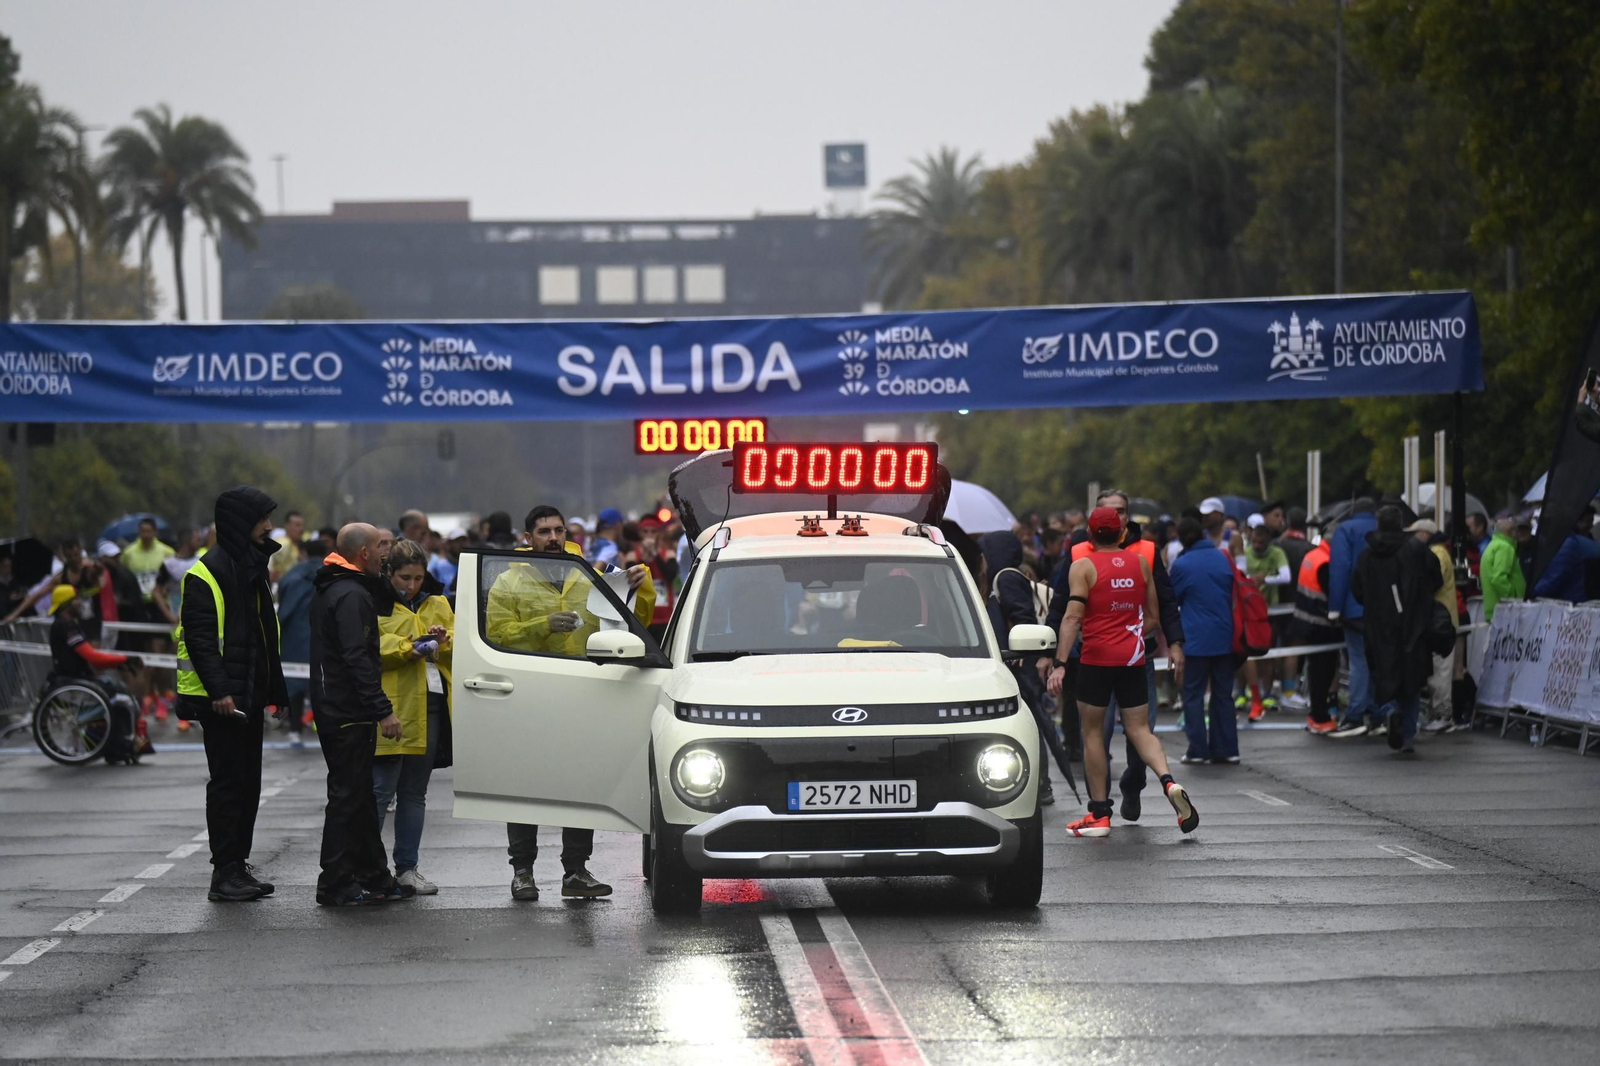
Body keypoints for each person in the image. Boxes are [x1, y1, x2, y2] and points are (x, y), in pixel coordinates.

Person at [486, 505, 655, 900]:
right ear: (527, 538)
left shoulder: (587, 575)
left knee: (582, 785)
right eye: (543, 531)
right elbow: (499, 636)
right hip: (530, 694)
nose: (553, 537)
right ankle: (523, 871)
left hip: (583, 694)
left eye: (559, 530)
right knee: (525, 786)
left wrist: (638, 586)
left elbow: (631, 622)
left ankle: (575, 871)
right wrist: (542, 626)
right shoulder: (507, 583)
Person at [1048, 505, 1198, 837]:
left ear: (1089, 534)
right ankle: (1169, 781)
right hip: (1133, 658)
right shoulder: (1140, 563)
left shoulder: (1082, 566)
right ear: (1122, 532)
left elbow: (1072, 618)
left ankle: (1100, 816)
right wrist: (1129, 634)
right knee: (1140, 730)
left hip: (1097, 659)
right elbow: (1154, 619)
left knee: (1092, 734)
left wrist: (1059, 663)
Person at [174, 487, 288, 903]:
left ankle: (238, 864)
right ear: (242, 522)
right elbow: (203, 641)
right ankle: (224, 872)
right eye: (263, 520)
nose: (270, 527)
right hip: (222, 700)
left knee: (249, 784)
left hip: (249, 695)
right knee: (228, 783)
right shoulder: (206, 573)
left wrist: (276, 690)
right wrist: (220, 691)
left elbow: (261, 636)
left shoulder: (252, 567)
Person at [310, 523, 408, 907]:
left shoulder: (336, 587)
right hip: (347, 711)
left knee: (361, 797)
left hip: (338, 707)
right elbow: (356, 657)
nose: (386, 554)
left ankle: (374, 876)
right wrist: (382, 710)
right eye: (379, 547)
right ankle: (333, 881)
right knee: (348, 798)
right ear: (363, 553)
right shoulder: (350, 595)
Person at [373, 539, 453, 896]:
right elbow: (371, 646)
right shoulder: (374, 601)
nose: (412, 585)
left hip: (430, 704)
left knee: (414, 793)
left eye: (419, 578)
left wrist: (443, 641)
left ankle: (407, 868)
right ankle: (368, 868)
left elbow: (457, 647)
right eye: (405, 577)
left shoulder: (436, 602)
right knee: (379, 791)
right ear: (388, 571)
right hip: (390, 705)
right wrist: (409, 646)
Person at [1353, 506, 1442, 755]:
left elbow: (1357, 589)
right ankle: (1408, 733)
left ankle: (1390, 710)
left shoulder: (1367, 555)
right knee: (1411, 681)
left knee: (1384, 673)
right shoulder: (1415, 549)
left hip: (1379, 624)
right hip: (1412, 623)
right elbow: (1436, 577)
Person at [983, 530, 1061, 807]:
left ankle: (1041, 785)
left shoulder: (1005, 577)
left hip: (1022, 664)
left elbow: (1023, 616)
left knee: (1032, 723)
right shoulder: (1006, 576)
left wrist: (1021, 654)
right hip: (1021, 662)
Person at [1168, 516, 1242, 762]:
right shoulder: (1222, 558)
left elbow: (1172, 600)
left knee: (1193, 695)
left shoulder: (1183, 564)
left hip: (1196, 638)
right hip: (1223, 635)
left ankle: (1198, 750)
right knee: (1223, 694)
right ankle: (1227, 749)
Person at [47, 585, 146, 764]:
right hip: (72, 681)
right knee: (118, 694)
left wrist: (120, 664)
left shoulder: (69, 625)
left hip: (78, 678)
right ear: (67, 604)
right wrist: (124, 659)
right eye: (77, 600)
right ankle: (120, 745)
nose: (81, 603)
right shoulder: (66, 627)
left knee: (118, 689)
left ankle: (119, 744)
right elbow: (93, 657)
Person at [1327, 499, 1381, 738]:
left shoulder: (1346, 530)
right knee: (1379, 661)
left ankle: (1356, 714)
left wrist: (1335, 607)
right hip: (1385, 607)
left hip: (1354, 605)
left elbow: (1340, 567)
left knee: (1358, 660)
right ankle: (1380, 712)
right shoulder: (1383, 528)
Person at [1235, 519, 1291, 720]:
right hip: (1246, 612)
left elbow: (1286, 576)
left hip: (1268, 612)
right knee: (1244, 655)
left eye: (1261, 542)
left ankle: (1266, 694)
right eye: (1255, 542)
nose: (1257, 546)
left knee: (1268, 655)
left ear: (1268, 540)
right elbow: (1238, 576)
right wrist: (1252, 579)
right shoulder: (1245, 553)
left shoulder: (1277, 553)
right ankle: (1242, 694)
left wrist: (1266, 579)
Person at [1406, 520, 1458, 733]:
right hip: (1440, 619)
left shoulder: (1436, 553)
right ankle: (1437, 712)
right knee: (1438, 670)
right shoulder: (1438, 551)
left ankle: (1443, 715)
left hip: (1440, 621)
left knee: (1441, 672)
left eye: (1414, 533)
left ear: (1425, 534)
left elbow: (1431, 581)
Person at [1289, 532, 1342, 734]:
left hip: (1306, 620)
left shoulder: (1313, 555)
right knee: (1323, 671)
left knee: (1315, 670)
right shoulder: (1326, 562)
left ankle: (1316, 715)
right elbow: (1332, 593)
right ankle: (1320, 716)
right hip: (1321, 624)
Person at [276, 536, 326, 749]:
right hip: (322, 639)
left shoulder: (291, 576)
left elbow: (282, 607)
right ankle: (324, 730)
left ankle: (295, 730)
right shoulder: (330, 574)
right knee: (322, 687)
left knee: (295, 686)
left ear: (303, 553)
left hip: (294, 639)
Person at [1531, 506, 1600, 604]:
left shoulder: (1566, 544)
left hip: (1566, 604)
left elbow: (1555, 579)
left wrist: (1531, 592)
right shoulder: (1559, 542)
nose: (1591, 525)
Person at [1479, 517, 1525, 621]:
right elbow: (1499, 578)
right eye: (1516, 530)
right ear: (1510, 531)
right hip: (1506, 611)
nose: (1518, 533)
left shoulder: (1492, 546)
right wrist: (1513, 598)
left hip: (1494, 609)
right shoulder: (1505, 547)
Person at [428, 526, 469, 592]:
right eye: (457, 541)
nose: (461, 544)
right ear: (449, 543)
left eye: (463, 541)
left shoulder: (471, 566)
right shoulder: (438, 566)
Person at [271, 511, 306, 582]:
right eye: (297, 525)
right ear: (287, 526)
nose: (301, 529)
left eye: (302, 525)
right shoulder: (282, 545)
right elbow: (273, 572)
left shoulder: (300, 545)